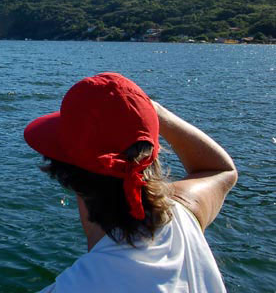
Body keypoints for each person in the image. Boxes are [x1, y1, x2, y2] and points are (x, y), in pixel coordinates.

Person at [24, 72, 238, 292]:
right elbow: (219, 170)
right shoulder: (182, 216)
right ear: (148, 153)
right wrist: (153, 113)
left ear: (66, 176)